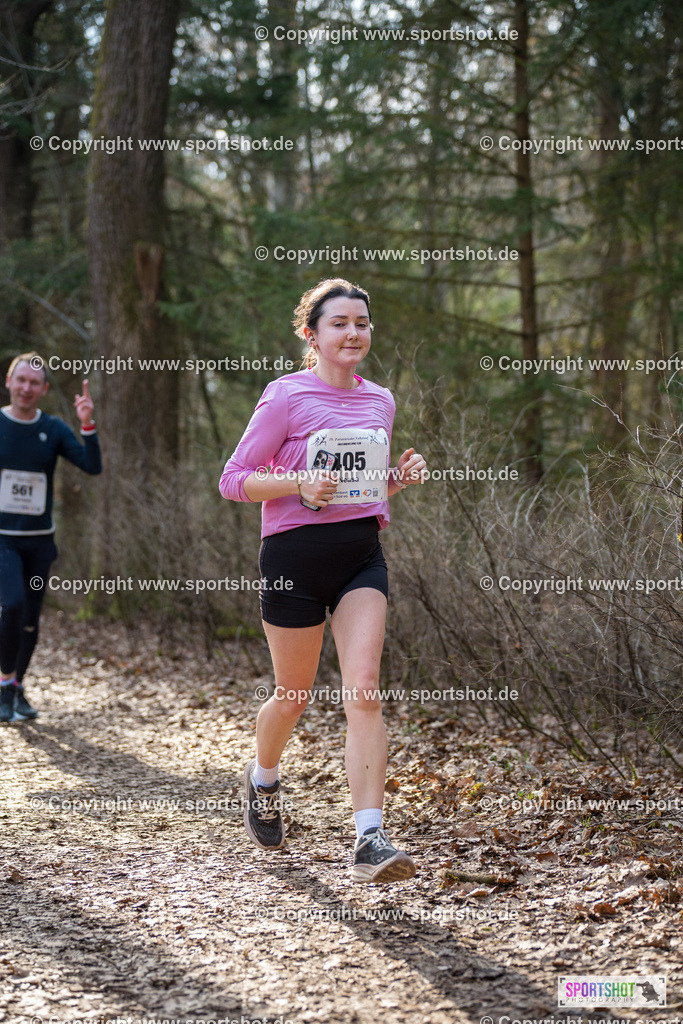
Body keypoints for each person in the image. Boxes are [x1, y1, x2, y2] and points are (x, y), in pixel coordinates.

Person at [219, 279, 426, 883]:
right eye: (339, 323)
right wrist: (297, 483)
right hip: (293, 561)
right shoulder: (285, 395)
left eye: (362, 323)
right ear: (312, 334)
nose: (354, 333)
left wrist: (397, 480)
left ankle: (369, 837)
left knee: (364, 688)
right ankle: (263, 778)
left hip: (362, 557)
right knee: (294, 694)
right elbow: (234, 478)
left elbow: (365, 488)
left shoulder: (380, 401)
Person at [0, 353, 102, 724]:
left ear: (43, 390)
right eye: (20, 380)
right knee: (9, 606)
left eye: (34, 383)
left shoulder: (54, 428)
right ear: (9, 382)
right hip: (3, 540)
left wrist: (87, 425)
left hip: (39, 541)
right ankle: (5, 683)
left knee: (29, 620)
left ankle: (14, 688)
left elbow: (92, 466)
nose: (26, 388)